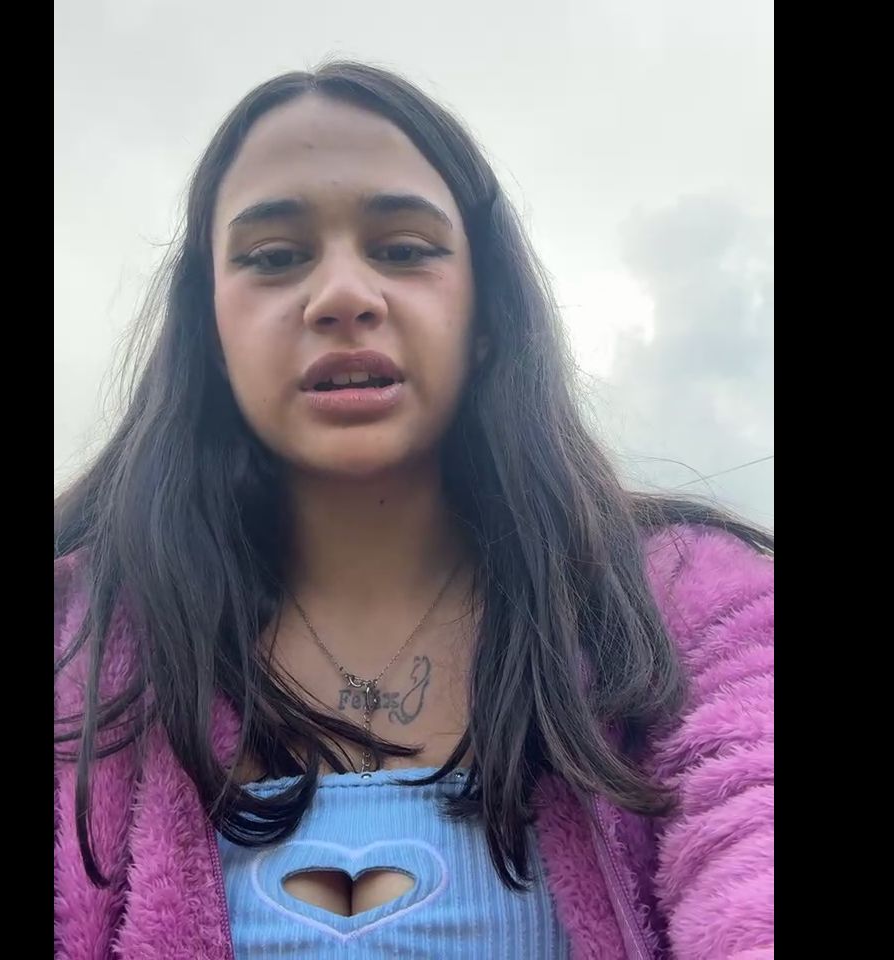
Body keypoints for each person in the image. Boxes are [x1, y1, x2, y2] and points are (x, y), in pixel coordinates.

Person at [54, 61, 774, 959]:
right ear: (210, 329)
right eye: (273, 258)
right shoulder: (77, 641)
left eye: (403, 248)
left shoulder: (694, 613)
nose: (343, 297)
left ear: (485, 313)